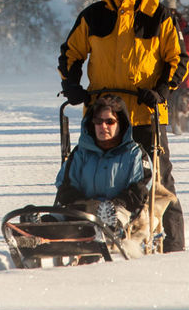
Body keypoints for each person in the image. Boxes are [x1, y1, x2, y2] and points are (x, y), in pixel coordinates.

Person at [58, 0, 189, 253]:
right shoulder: (93, 16)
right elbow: (70, 53)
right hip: (102, 115)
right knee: (84, 173)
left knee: (159, 181)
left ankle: (173, 247)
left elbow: (178, 60)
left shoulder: (160, 16)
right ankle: (75, 229)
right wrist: (72, 85)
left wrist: (161, 91)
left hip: (145, 113)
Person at [55, 95, 152, 241]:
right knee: (60, 216)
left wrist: (116, 204)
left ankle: (108, 228)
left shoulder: (135, 154)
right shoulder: (81, 152)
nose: (103, 126)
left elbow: (140, 188)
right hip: (81, 208)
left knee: (114, 216)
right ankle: (36, 228)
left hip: (120, 210)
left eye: (110, 122)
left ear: (121, 124)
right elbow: (65, 184)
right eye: (98, 121)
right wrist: (82, 203)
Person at [167, 0, 189, 89]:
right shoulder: (162, 21)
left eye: (172, 11)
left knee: (186, 62)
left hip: (181, 51)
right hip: (167, 52)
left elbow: (188, 40)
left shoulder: (182, 23)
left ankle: (184, 89)